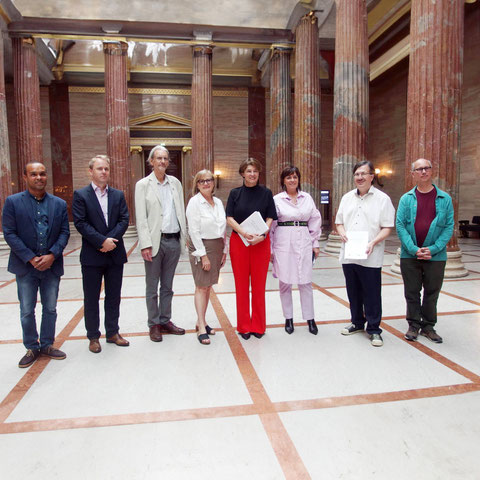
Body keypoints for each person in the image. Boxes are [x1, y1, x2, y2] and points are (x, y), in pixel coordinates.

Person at [2, 162, 70, 368]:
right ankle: (31, 346)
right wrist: (31, 258)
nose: (38, 177)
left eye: (42, 174)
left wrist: (52, 255)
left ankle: (47, 344)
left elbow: (65, 232)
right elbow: (10, 233)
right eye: (34, 174)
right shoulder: (13, 202)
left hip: (51, 265)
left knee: (50, 308)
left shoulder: (58, 204)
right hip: (25, 267)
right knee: (26, 309)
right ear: (25, 177)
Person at [73, 155, 130, 353]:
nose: (104, 172)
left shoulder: (118, 195)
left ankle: (113, 332)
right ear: (91, 171)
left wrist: (110, 241)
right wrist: (101, 241)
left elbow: (124, 219)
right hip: (92, 255)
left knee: (114, 296)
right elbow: (80, 223)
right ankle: (93, 336)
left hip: (114, 254)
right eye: (99, 169)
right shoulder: (81, 195)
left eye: (106, 168)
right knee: (91, 298)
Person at [336, 160, 395, 347]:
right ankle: (357, 322)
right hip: (349, 253)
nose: (359, 177)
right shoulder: (346, 198)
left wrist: (373, 242)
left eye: (363, 174)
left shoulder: (382, 199)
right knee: (353, 292)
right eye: (356, 174)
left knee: (371, 293)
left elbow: (387, 227)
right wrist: (342, 232)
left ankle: (374, 329)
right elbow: (339, 222)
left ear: (372, 176)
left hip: (371, 254)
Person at [396, 158, 454, 344]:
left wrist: (434, 249)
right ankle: (413, 325)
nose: (423, 172)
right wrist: (413, 249)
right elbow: (400, 226)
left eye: (426, 168)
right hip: (410, 255)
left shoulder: (445, 199)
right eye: (418, 169)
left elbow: (449, 227)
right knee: (412, 292)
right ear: (413, 174)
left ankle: (428, 326)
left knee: (432, 292)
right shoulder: (406, 199)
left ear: (431, 171)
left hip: (436, 257)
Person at [135, 145, 187, 342]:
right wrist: (145, 244)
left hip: (173, 240)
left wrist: (185, 237)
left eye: (165, 158)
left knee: (167, 286)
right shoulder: (143, 185)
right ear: (151, 161)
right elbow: (141, 217)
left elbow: (180, 211)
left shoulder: (175, 183)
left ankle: (165, 320)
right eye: (159, 158)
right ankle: (153, 324)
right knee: (152, 287)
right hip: (155, 242)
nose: (162, 162)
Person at [226, 157, 277, 339]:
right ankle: (244, 326)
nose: (252, 174)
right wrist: (243, 233)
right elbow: (229, 217)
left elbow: (270, 216)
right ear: (242, 173)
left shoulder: (266, 193)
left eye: (255, 171)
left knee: (258, 286)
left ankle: (258, 326)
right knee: (241, 286)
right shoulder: (234, 193)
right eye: (249, 171)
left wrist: (262, 235)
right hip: (239, 242)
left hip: (260, 243)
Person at [270, 166, 322, 335]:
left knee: (305, 281)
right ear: (283, 180)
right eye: (288, 177)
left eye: (294, 177)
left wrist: (315, 243)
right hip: (283, 242)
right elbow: (271, 225)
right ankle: (288, 318)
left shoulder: (307, 198)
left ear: (298, 179)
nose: (292, 180)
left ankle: (310, 318)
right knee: (285, 282)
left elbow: (314, 219)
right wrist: (270, 247)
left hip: (304, 240)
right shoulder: (277, 199)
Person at [186, 170, 227, 345]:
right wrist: (203, 256)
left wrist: (225, 250)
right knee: (201, 286)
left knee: (208, 286)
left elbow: (223, 227)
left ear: (213, 183)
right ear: (197, 184)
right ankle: (201, 326)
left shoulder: (217, 202)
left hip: (217, 246)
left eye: (209, 180)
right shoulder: (194, 203)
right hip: (201, 247)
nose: (206, 183)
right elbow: (193, 231)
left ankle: (200, 320)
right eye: (201, 181)